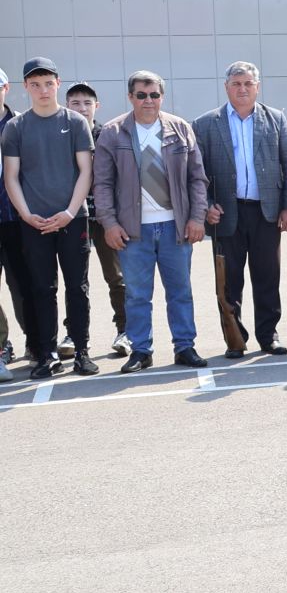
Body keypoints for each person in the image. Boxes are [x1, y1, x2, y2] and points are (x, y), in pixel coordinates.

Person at [91, 71, 211, 373]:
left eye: (154, 95)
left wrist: (197, 217)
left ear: (162, 96)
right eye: (142, 95)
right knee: (137, 295)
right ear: (130, 97)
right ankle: (141, 351)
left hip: (175, 227)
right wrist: (109, 223)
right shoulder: (113, 132)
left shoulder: (181, 129)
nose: (148, 100)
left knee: (180, 291)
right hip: (134, 232)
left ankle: (185, 347)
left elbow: (197, 178)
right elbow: (102, 183)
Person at [193, 62, 287, 358]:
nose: (243, 89)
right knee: (229, 280)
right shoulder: (205, 123)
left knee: (267, 276)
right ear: (226, 87)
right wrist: (205, 206)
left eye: (248, 83)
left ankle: (268, 335)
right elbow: (196, 173)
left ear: (257, 86)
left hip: (265, 213)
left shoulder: (275, 119)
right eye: (237, 83)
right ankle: (235, 338)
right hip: (225, 214)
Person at [1, 57, 97, 379]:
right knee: (42, 288)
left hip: (73, 220)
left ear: (57, 84)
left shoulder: (76, 122)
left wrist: (70, 212)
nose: (42, 90)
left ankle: (82, 351)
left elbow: (85, 171)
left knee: (77, 287)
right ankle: (47, 354)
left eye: (48, 83)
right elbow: (11, 177)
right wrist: (26, 214)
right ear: (26, 87)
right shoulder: (16, 127)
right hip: (34, 224)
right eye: (35, 84)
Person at [64, 81, 130, 358]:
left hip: (105, 217)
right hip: (72, 216)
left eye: (87, 103)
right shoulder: (61, 135)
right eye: (75, 103)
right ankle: (75, 333)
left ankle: (126, 330)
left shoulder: (108, 135)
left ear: (96, 106)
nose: (81, 108)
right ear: (67, 106)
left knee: (116, 276)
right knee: (75, 280)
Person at [0, 66, 23, 376]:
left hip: (19, 219)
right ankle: (2, 345)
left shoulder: (20, 125)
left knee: (25, 286)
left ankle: (38, 343)